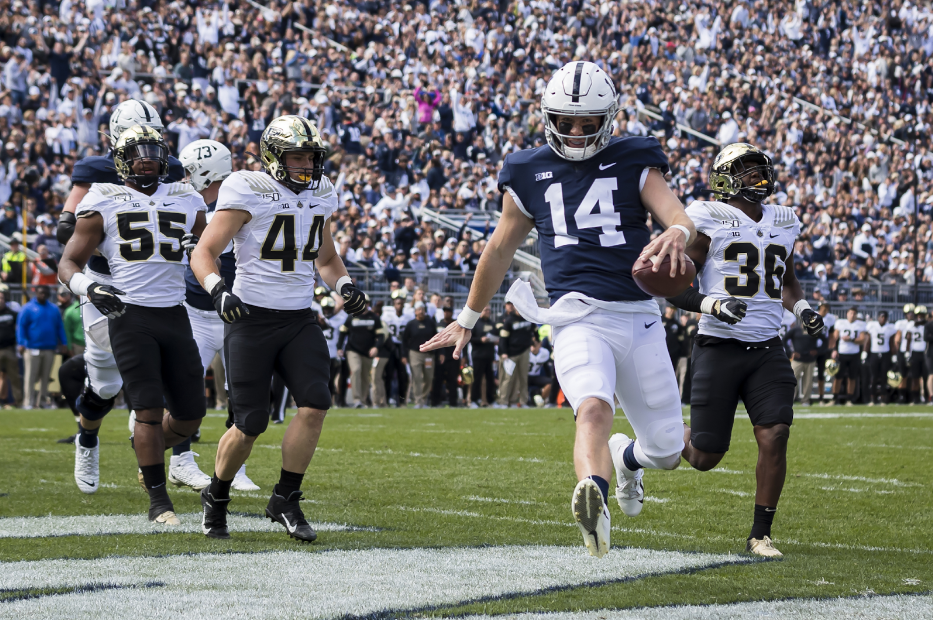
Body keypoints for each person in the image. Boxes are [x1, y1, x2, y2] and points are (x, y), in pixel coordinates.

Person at [421, 61, 695, 558]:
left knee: (669, 449)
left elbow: (675, 213)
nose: (574, 132)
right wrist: (467, 317)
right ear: (548, 117)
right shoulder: (527, 170)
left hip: (639, 315)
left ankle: (627, 460)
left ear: (608, 118)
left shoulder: (636, 157)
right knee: (592, 408)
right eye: (566, 122)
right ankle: (596, 500)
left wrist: (677, 230)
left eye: (587, 123)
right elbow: (500, 249)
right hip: (575, 315)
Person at [191, 115, 367, 541]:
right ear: (273, 156)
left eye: (310, 156)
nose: (305, 164)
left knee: (315, 403)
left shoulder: (322, 193)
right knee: (250, 422)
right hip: (250, 318)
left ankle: (286, 497)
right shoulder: (247, 188)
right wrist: (218, 291)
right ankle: (217, 494)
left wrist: (345, 285)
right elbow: (205, 252)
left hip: (298, 318)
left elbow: (325, 258)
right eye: (296, 156)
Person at [665, 143, 824, 557]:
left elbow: (785, 280)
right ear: (725, 179)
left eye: (761, 170)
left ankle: (760, 534)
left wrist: (802, 307)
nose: (759, 178)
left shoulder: (784, 220)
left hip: (768, 349)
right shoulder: (706, 218)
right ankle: (652, 438)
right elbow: (674, 287)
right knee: (704, 456)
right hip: (719, 345)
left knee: (776, 433)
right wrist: (711, 303)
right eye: (748, 171)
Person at [60, 125, 208, 524]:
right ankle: (158, 501)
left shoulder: (186, 196)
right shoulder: (102, 197)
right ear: (122, 158)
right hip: (128, 311)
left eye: (154, 151)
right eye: (139, 152)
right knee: (146, 408)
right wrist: (89, 288)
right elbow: (67, 262)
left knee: (192, 414)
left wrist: (206, 255)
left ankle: (145, 447)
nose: (148, 159)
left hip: (175, 311)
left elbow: (214, 245)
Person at [176, 138, 257, 492]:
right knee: (184, 388)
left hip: (234, 312)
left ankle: (233, 468)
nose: (185, 177)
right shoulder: (190, 205)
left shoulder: (236, 205)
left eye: (190, 171)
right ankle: (180, 459)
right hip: (197, 312)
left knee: (242, 391)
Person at [16, 284, 68, 409]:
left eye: (45, 293)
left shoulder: (53, 309)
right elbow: (21, 326)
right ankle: (28, 402)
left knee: (46, 377)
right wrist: (21, 342)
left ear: (49, 294)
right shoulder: (27, 308)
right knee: (30, 377)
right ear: (36, 293)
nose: (43, 295)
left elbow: (59, 327)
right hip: (31, 347)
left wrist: (64, 342)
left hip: (49, 347)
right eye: (40, 293)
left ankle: (43, 401)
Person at [336, 294, 383, 408]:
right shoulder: (351, 316)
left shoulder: (374, 318)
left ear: (368, 304)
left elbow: (381, 335)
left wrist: (376, 347)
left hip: (367, 351)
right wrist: (339, 347)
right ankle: (356, 399)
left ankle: (362, 400)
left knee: (365, 376)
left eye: (365, 302)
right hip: (352, 350)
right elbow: (343, 333)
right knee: (356, 370)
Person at [496, 301, 535, 408]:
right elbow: (503, 339)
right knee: (507, 378)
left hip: (524, 351)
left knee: (523, 378)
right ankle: (503, 401)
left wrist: (535, 342)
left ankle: (522, 401)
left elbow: (534, 331)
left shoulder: (528, 319)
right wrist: (504, 352)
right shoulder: (509, 320)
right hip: (510, 353)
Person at [402, 301, 436, 409]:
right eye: (419, 309)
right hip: (415, 353)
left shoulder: (430, 323)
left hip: (428, 354)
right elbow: (404, 340)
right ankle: (417, 401)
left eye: (423, 309)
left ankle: (424, 400)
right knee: (416, 377)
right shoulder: (411, 324)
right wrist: (404, 355)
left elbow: (435, 337)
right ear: (415, 311)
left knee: (428, 377)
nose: (421, 311)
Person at [380, 290, 412, 407]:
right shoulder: (387, 315)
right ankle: (388, 399)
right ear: (394, 303)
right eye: (397, 303)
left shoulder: (408, 316)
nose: (399, 305)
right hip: (390, 347)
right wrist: (392, 347)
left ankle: (401, 400)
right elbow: (385, 334)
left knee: (402, 376)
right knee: (388, 375)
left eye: (401, 303)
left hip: (403, 347)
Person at [832, 308, 868, 405]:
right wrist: (834, 350)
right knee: (838, 377)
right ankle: (834, 399)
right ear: (847, 314)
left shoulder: (860, 325)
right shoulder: (840, 323)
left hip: (854, 354)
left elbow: (862, 340)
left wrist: (851, 339)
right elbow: (834, 338)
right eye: (851, 313)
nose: (852, 315)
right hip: (842, 353)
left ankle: (849, 399)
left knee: (852, 378)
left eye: (854, 313)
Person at [865, 311, 898, 405]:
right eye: (881, 317)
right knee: (874, 377)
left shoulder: (890, 328)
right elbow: (868, 341)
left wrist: (894, 355)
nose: (882, 319)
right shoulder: (872, 326)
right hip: (874, 353)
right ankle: (872, 398)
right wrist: (864, 353)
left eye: (884, 317)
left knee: (884, 377)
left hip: (885, 354)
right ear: (878, 317)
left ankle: (883, 398)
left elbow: (892, 343)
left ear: (887, 318)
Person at [468, 305, 498, 408]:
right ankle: (474, 400)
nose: (488, 312)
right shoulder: (475, 324)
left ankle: (491, 400)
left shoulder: (492, 324)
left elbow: (496, 335)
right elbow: (470, 338)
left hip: (489, 355)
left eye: (489, 310)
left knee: (490, 379)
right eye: (486, 310)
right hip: (478, 355)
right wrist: (481, 340)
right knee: (477, 379)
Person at [319, 295, 347, 402]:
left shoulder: (339, 318)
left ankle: (331, 399)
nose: (327, 311)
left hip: (334, 353)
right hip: (321, 352)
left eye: (329, 308)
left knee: (331, 378)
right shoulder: (319, 318)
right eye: (325, 308)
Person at [785, 320, 819, 406]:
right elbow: (784, 339)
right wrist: (790, 352)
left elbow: (824, 340)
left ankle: (806, 400)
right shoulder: (795, 330)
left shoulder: (814, 330)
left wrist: (818, 351)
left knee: (808, 381)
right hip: (797, 360)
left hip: (810, 360)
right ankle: (790, 399)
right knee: (792, 380)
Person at [432, 304, 460, 407]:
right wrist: (439, 353)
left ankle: (453, 403)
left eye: (448, 311)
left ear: (452, 313)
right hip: (441, 356)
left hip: (453, 356)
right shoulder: (438, 324)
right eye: (445, 311)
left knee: (452, 380)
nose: (446, 313)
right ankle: (435, 402)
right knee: (438, 379)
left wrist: (463, 355)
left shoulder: (456, 325)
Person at [0, 291, 20, 408]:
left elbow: (19, 329)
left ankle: (18, 401)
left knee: (14, 376)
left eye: (2, 298)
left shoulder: (12, 314)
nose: (0, 300)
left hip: (9, 349)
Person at [814, 303, 837, 405]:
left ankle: (821, 397)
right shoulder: (811, 316)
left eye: (827, 309)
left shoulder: (830, 319)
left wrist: (832, 349)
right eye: (824, 309)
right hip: (812, 347)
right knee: (807, 372)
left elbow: (831, 336)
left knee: (821, 374)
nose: (825, 311)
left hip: (823, 349)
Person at [906, 306, 929, 404]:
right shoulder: (911, 325)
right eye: (918, 315)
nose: (920, 317)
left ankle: (928, 398)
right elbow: (908, 339)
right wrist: (907, 353)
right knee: (915, 377)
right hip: (915, 352)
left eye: (922, 315)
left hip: (925, 353)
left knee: (926, 377)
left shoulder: (928, 325)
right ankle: (915, 398)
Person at [894, 304, 915, 404]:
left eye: (912, 313)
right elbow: (897, 339)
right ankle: (902, 396)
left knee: (914, 375)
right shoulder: (901, 324)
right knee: (903, 375)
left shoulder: (917, 323)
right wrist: (896, 353)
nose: (910, 315)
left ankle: (913, 396)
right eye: (908, 313)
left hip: (915, 351)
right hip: (903, 351)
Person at [526, 338, 552, 406]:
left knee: (551, 382)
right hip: (525, 376)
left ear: (540, 344)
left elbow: (546, 367)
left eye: (535, 345)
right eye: (531, 345)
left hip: (536, 376)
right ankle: (523, 401)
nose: (533, 347)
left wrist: (550, 376)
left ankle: (541, 400)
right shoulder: (525, 352)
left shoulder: (544, 353)